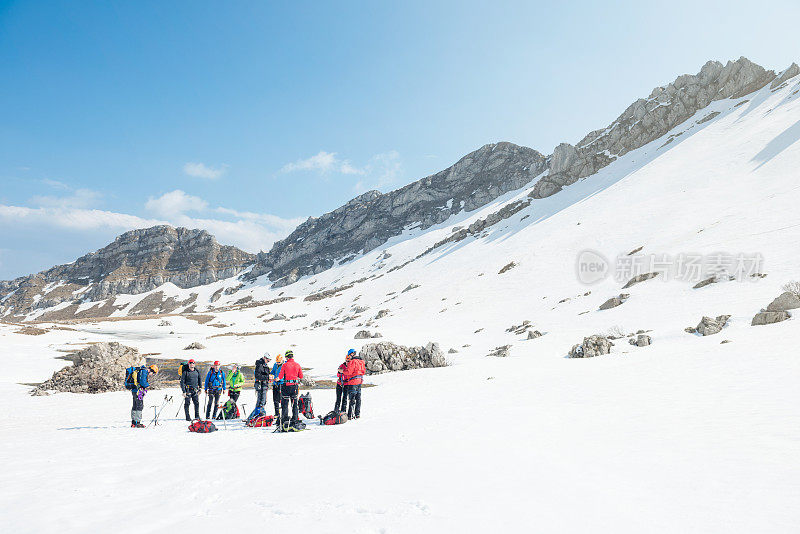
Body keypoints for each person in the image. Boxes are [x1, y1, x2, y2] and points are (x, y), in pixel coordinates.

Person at [277, 350, 303, 426]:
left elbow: (280, 376)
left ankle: (285, 419)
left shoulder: (284, 365)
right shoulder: (297, 365)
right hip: (294, 386)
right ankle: (295, 418)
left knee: (285, 403)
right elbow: (301, 376)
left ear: (286, 357)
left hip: (286, 386)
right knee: (294, 403)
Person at [343, 350, 366, 419]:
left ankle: (350, 415)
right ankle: (357, 414)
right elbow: (364, 371)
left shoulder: (353, 361)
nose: (349, 357)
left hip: (353, 382)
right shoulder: (361, 361)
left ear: (352, 354)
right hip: (359, 381)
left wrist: (342, 371)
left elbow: (349, 372)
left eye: (349, 355)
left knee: (352, 399)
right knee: (358, 398)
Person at [270, 353, 284, 418]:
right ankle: (276, 413)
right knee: (275, 400)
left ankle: (283, 413)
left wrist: (280, 379)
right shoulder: (275, 365)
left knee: (281, 399)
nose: (277, 363)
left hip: (281, 384)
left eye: (279, 362)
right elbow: (273, 371)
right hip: (275, 384)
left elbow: (285, 375)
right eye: (277, 362)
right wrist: (271, 375)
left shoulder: (284, 365)